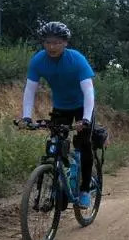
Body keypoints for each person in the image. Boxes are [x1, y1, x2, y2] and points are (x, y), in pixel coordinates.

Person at [21, 21, 96, 207]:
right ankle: (62, 181)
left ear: (65, 43)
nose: (51, 47)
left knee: (84, 145)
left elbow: (88, 91)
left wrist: (86, 119)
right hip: (61, 107)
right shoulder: (38, 60)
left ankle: (85, 189)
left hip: (81, 107)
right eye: (47, 42)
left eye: (56, 42)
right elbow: (30, 90)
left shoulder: (76, 59)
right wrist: (26, 116)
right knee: (56, 145)